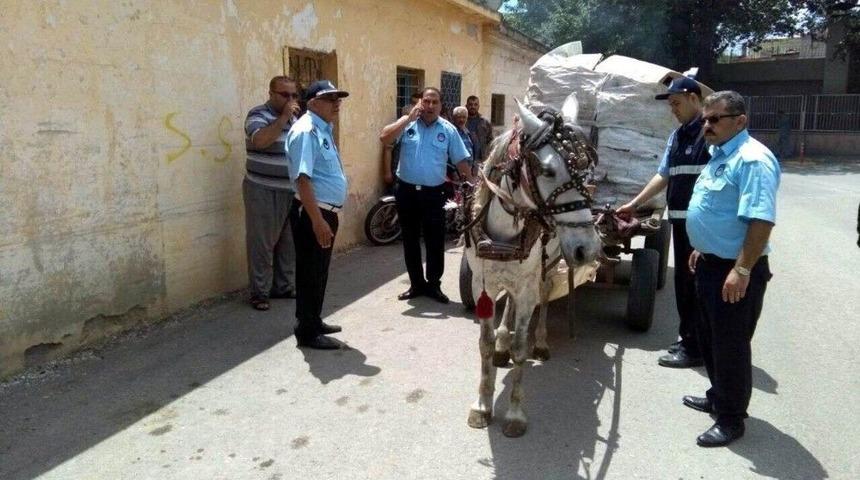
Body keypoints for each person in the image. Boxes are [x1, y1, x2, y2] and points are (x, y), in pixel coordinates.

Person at [684, 90, 780, 447]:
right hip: (710, 264)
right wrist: (701, 247)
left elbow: (760, 221)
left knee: (730, 346)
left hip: (734, 271)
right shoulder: (720, 154)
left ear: (740, 121)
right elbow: (715, 208)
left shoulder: (752, 159)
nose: (706, 125)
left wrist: (741, 269)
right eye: (704, 119)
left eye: (714, 119)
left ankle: (731, 418)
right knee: (708, 337)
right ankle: (717, 395)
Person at [618, 75, 708, 369]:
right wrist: (634, 204)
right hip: (681, 223)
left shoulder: (709, 135)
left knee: (698, 285)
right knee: (684, 283)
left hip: (703, 227)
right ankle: (689, 339)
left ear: (694, 99)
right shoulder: (678, 135)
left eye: (677, 103)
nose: (673, 109)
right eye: (671, 104)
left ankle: (695, 347)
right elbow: (663, 175)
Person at [379, 87, 474, 303]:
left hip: (434, 193)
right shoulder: (407, 124)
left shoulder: (448, 130)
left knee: (434, 240)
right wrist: (406, 119)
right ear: (420, 102)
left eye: (435, 102)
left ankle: (433, 285)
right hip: (406, 191)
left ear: (441, 106)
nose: (430, 106)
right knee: (410, 239)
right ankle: (416, 284)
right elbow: (384, 138)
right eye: (426, 101)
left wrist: (471, 184)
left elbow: (461, 161)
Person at [286, 80, 350, 350]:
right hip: (314, 213)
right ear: (312, 103)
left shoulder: (323, 129)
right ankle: (307, 332)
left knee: (319, 271)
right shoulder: (306, 130)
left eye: (338, 98)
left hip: (324, 212)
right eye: (329, 98)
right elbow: (302, 180)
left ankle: (313, 319)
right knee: (310, 272)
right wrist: (317, 220)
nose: (336, 103)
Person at [243, 76, 301, 311]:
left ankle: (284, 286)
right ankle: (260, 292)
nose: (290, 100)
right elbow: (260, 141)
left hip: (290, 189)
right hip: (263, 188)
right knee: (262, 243)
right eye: (284, 95)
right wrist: (284, 117)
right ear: (271, 93)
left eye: (293, 95)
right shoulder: (257, 115)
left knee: (288, 243)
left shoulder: (296, 118)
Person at [465, 95, 493, 162]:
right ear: (466, 106)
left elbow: (491, 141)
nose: (473, 107)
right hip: (465, 160)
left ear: (478, 106)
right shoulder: (462, 121)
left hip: (481, 160)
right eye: (470, 104)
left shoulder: (485, 122)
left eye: (475, 104)